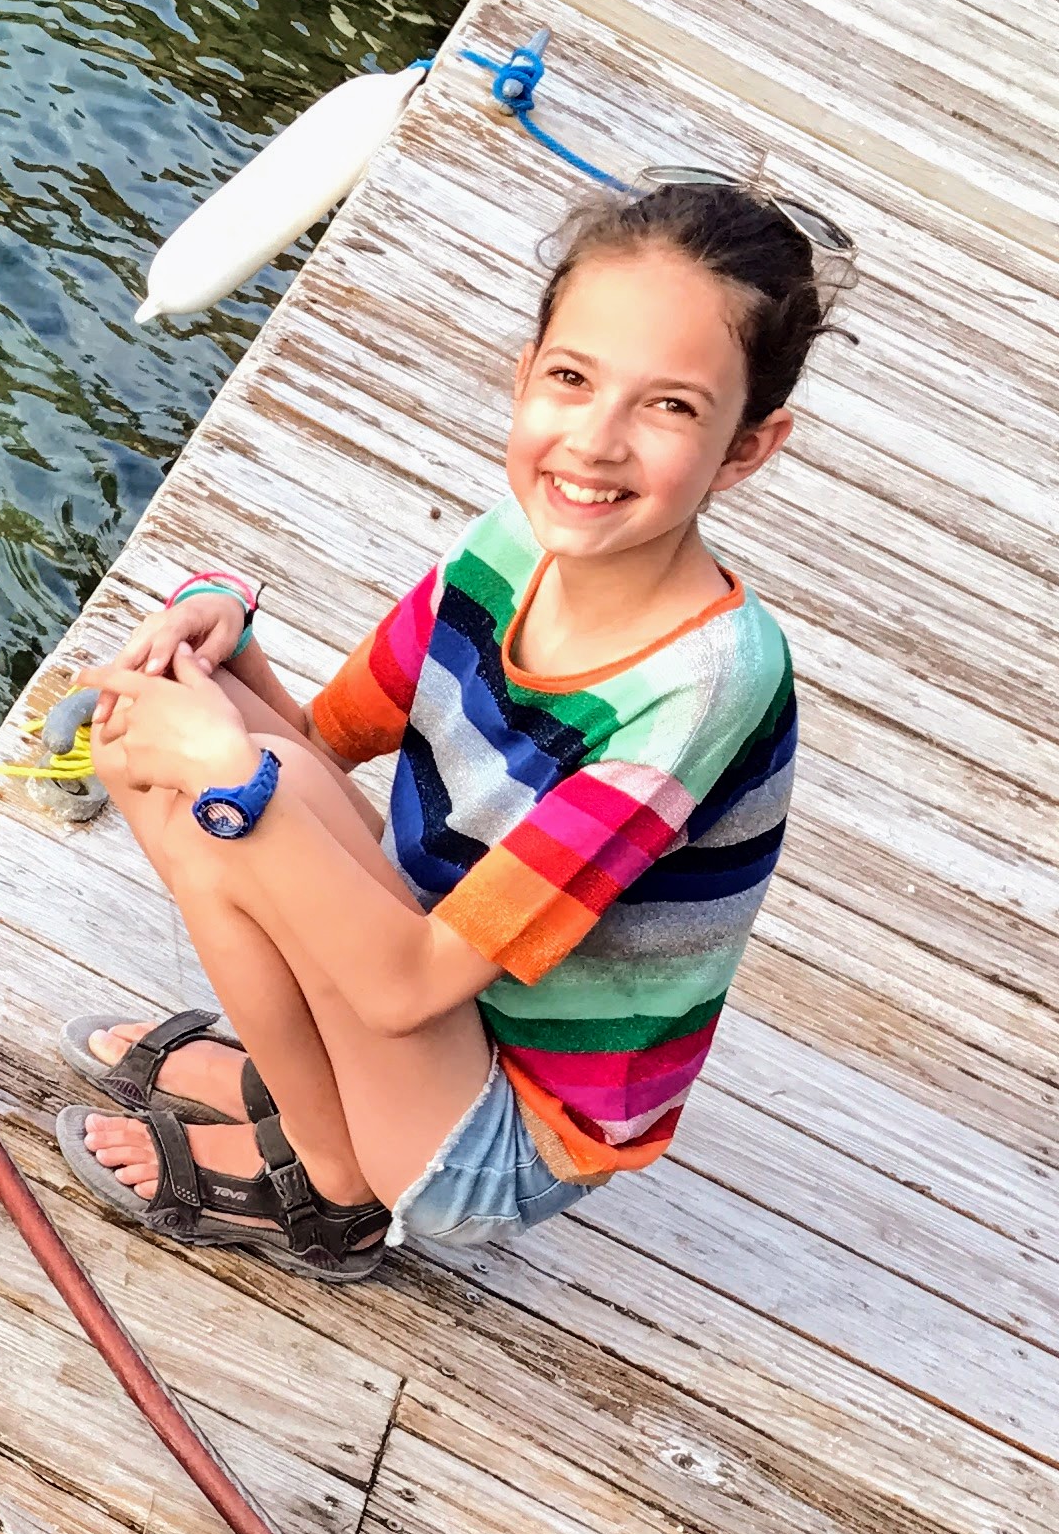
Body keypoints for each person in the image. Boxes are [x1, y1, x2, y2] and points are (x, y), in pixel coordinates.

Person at [54, 178, 828, 1280]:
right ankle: (307, 1089)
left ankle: (327, 1186)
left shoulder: (700, 692)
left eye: (670, 408)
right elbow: (322, 747)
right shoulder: (512, 543)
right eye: (572, 379)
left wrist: (230, 766)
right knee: (165, 738)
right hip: (434, 998)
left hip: (492, 1138)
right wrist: (225, 636)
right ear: (526, 377)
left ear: (748, 447)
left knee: (236, 786)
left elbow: (405, 987)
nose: (596, 442)